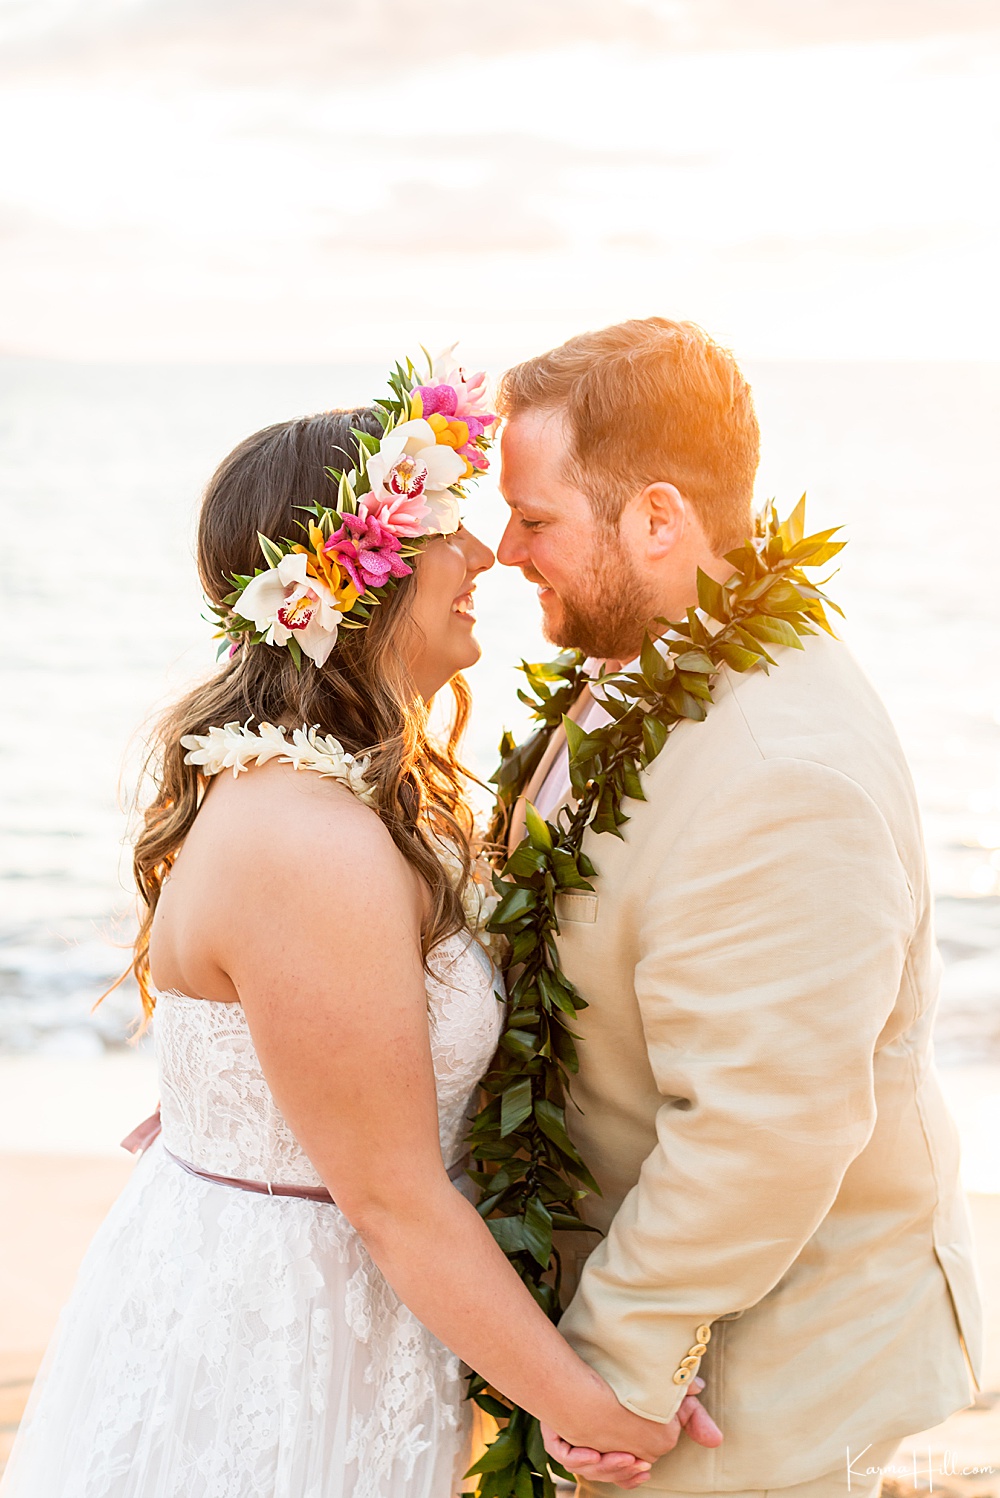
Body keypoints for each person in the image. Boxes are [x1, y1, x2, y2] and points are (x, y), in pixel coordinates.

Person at [1, 356, 720, 1498]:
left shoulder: (344, 800)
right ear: (358, 575)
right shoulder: (305, 839)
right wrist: (595, 1408)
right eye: (446, 527)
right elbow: (388, 1198)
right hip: (276, 1344)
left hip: (341, 1308)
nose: (481, 553)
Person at [494, 318, 983, 1498]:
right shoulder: (651, 655)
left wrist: (615, 1369)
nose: (504, 546)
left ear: (657, 520)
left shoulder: (781, 772)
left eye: (538, 517)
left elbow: (762, 1125)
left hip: (749, 1382)